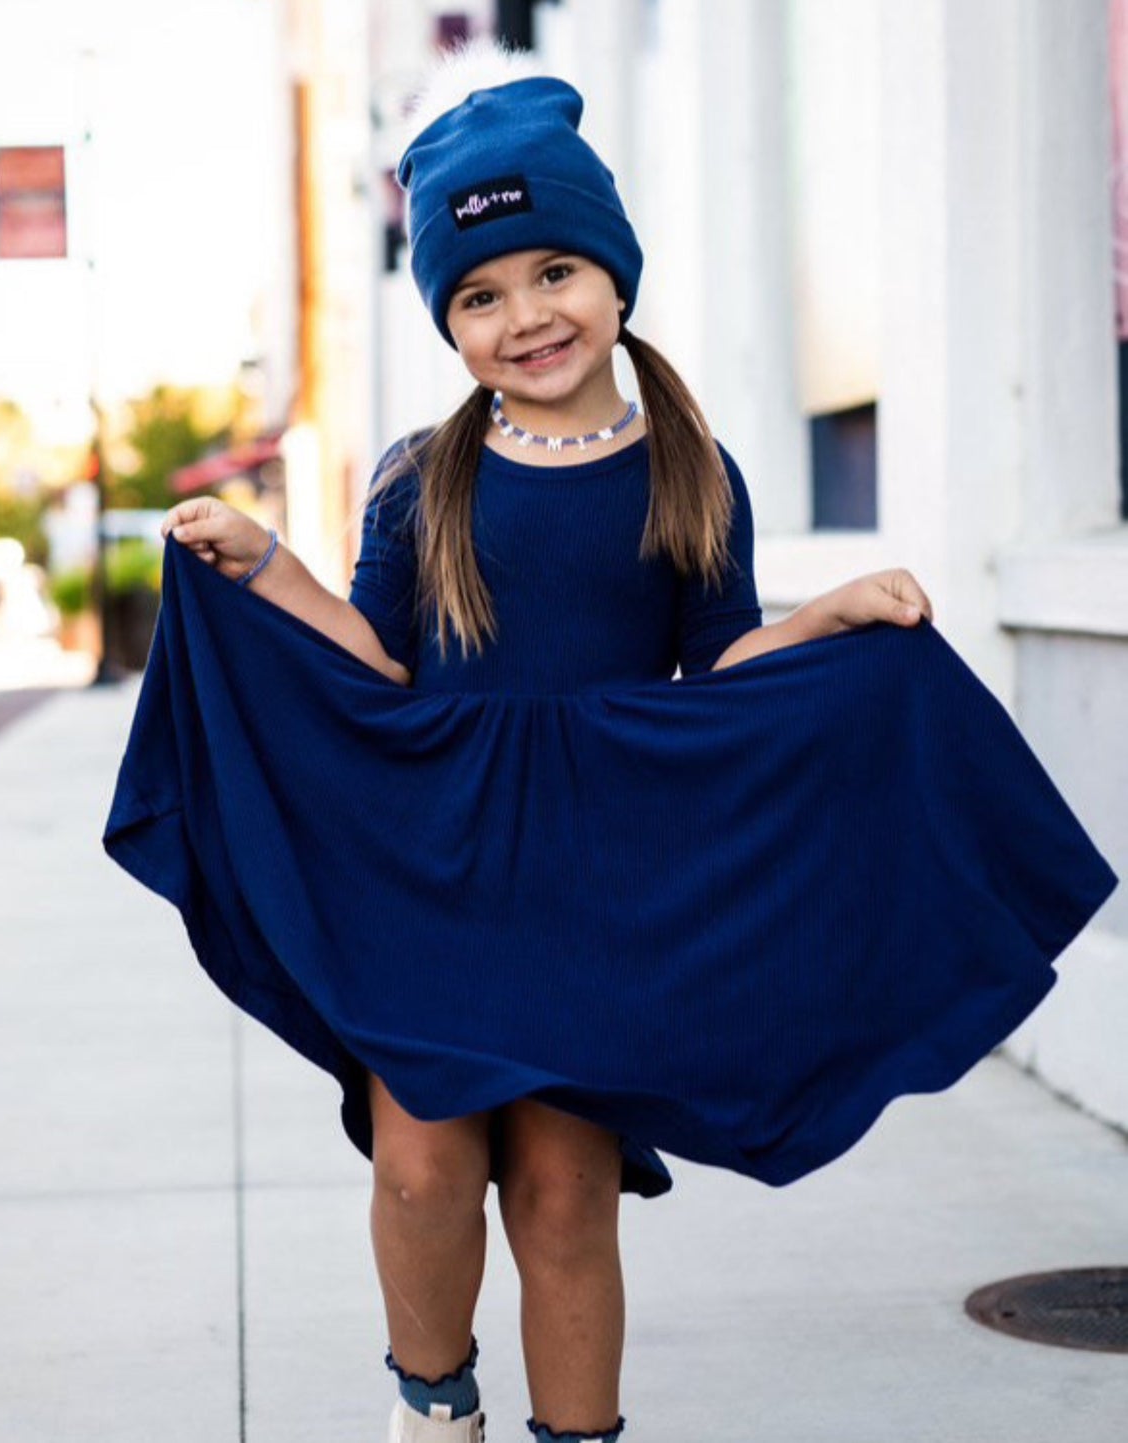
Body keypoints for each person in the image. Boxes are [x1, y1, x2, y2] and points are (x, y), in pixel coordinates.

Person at [106, 44, 1117, 1443]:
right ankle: (434, 1405)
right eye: (478, 294)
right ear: (448, 326)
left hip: (597, 879)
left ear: (613, 275)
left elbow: (716, 664)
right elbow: (379, 658)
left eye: (551, 272)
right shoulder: (424, 475)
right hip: (438, 869)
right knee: (418, 1161)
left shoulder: (690, 470)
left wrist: (828, 617)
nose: (525, 313)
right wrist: (263, 569)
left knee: (567, 1187)